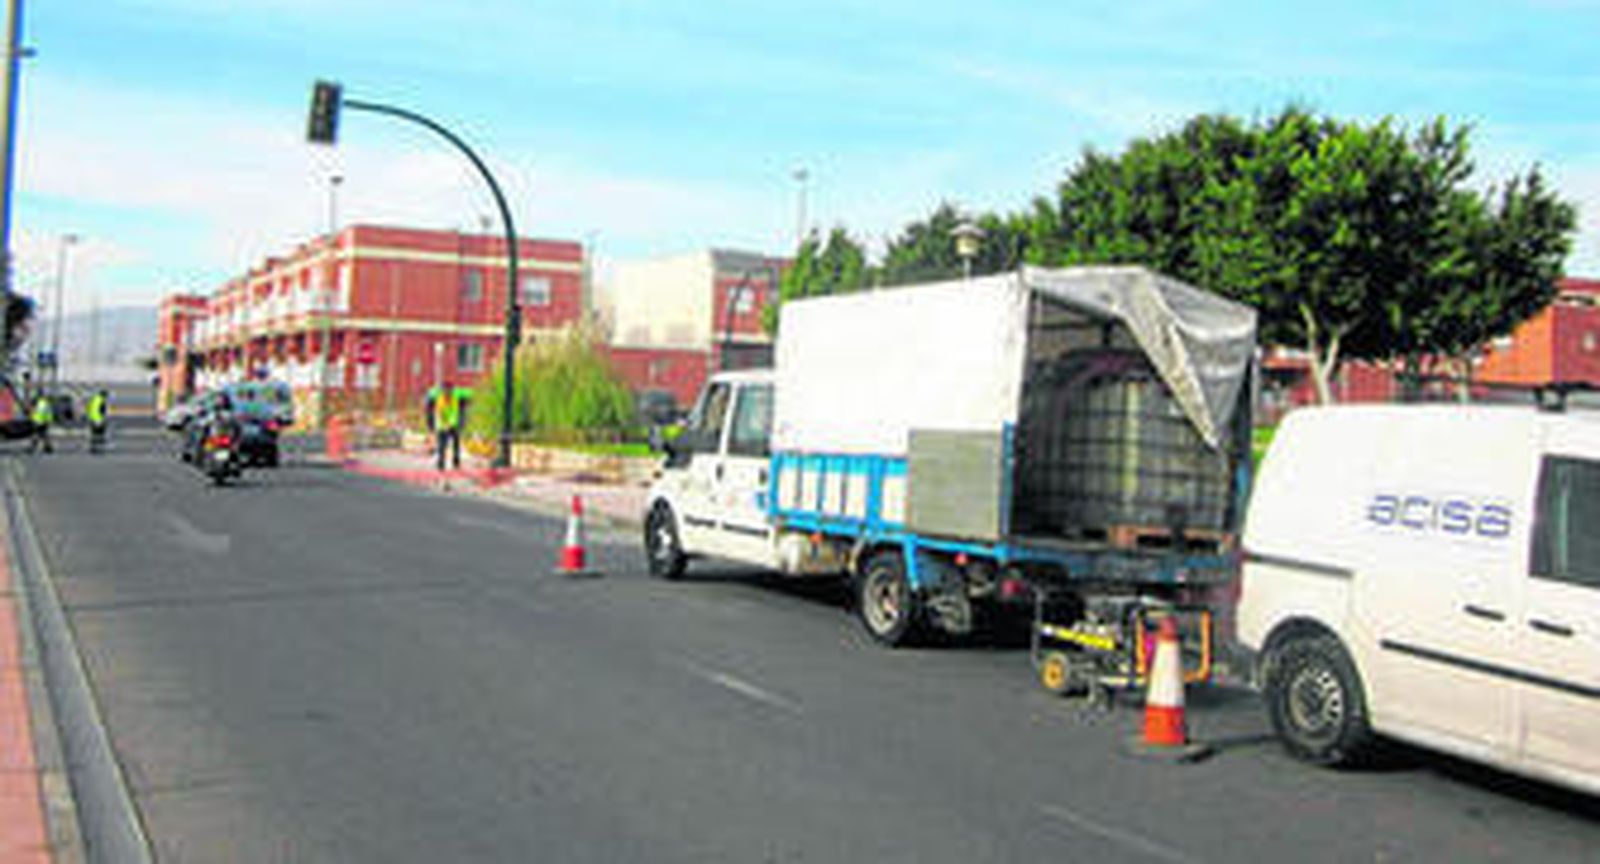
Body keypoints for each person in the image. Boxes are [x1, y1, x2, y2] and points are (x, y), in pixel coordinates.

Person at [431, 380, 471, 470]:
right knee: (442, 444)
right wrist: (444, 425)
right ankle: (441, 462)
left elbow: (454, 413)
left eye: (449, 392)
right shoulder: (440, 400)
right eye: (445, 392)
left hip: (453, 423)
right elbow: (439, 414)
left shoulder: (455, 398)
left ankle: (456, 461)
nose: (447, 394)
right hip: (442, 424)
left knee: (456, 441)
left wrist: (451, 424)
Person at [86, 389, 109, 454]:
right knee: (100, 434)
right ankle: (100, 448)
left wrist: (89, 416)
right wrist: (103, 419)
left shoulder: (93, 399)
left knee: (94, 434)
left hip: (92, 419)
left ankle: (93, 448)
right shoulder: (102, 400)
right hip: (98, 419)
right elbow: (102, 411)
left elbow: (88, 407)